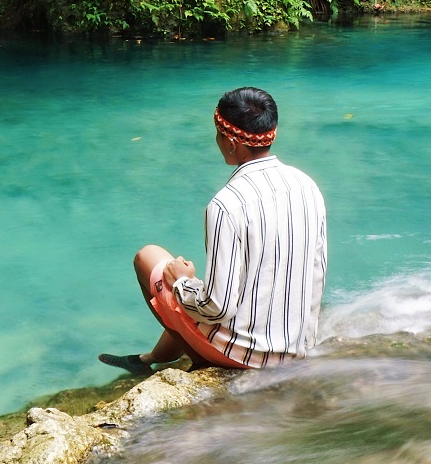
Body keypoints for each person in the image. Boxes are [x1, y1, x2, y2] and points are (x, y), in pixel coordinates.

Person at [100, 87, 327, 373]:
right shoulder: (306, 185)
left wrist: (181, 282)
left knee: (150, 257)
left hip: (244, 356)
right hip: (296, 349)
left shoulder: (226, 204)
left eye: (219, 134)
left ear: (231, 143)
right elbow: (317, 273)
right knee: (206, 285)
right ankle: (153, 357)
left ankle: (191, 356)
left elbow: (217, 308)